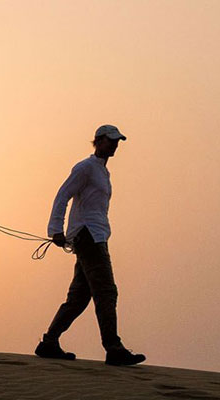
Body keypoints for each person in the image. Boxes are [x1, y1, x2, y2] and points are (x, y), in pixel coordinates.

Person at [36, 124, 148, 367]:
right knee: (106, 292)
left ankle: (49, 342)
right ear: (97, 141)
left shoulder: (103, 172)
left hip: (97, 236)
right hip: (89, 237)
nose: (114, 145)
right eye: (110, 141)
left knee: (78, 297)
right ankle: (113, 347)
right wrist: (56, 229)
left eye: (117, 141)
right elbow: (62, 195)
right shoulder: (85, 168)